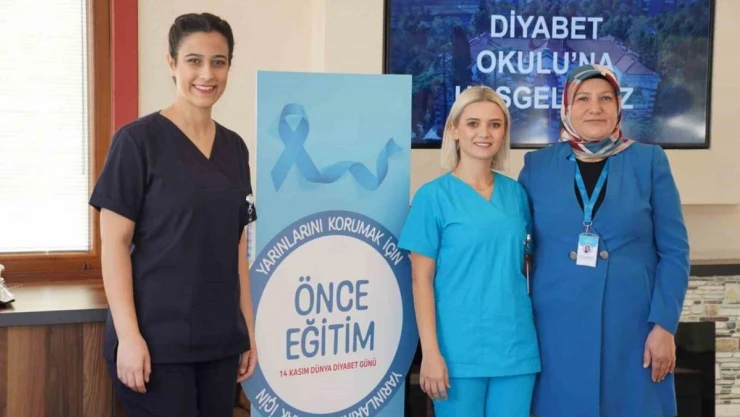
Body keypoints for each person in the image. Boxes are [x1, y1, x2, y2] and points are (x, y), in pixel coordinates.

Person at [89, 13, 257, 417]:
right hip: (155, 345)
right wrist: (129, 338)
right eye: (194, 61)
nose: (207, 74)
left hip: (219, 343)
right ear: (172, 63)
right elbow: (114, 244)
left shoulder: (235, 148)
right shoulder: (137, 142)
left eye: (218, 62)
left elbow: (237, 246)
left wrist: (247, 331)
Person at [519, 64, 690, 417]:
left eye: (605, 98)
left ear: (618, 106)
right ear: (567, 107)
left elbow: (675, 251)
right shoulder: (537, 166)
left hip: (633, 329)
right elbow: (517, 248)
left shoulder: (649, 161)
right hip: (556, 331)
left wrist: (664, 326)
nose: (594, 108)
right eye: (583, 99)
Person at [398, 86, 540, 417]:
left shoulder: (516, 194)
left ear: (504, 133)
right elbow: (421, 281)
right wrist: (430, 353)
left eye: (495, 124)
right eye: (473, 123)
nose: (484, 133)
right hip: (456, 353)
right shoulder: (433, 197)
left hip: (515, 348)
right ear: (454, 130)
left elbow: (524, 267)